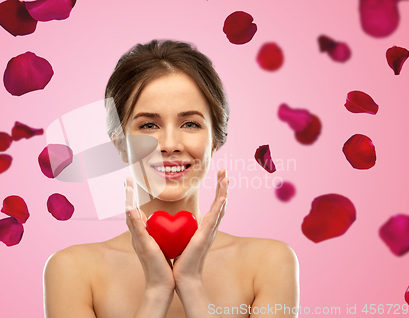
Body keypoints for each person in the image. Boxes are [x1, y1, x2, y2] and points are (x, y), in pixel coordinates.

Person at [43, 39, 299, 318]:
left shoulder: (269, 264)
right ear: (119, 143)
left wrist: (191, 284)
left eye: (190, 123)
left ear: (215, 139)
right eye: (148, 125)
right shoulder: (72, 271)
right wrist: (156, 290)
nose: (169, 143)